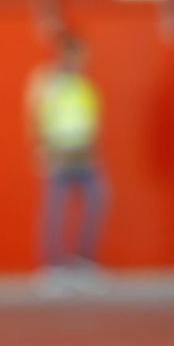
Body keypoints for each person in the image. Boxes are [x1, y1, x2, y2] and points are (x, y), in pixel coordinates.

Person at [26, 33, 107, 283]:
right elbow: (35, 112)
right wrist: (39, 147)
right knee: (55, 210)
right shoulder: (50, 81)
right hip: (59, 153)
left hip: (84, 153)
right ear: (67, 53)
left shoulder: (83, 83)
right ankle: (53, 267)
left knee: (97, 201)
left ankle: (84, 262)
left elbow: (90, 117)